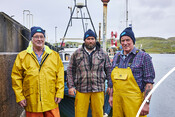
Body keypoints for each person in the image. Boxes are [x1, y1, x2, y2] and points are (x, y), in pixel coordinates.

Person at [11, 26, 64, 117]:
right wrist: (20, 97)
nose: (39, 39)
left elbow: (60, 76)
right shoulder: (22, 56)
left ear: (44, 39)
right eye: (36, 37)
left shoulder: (54, 55)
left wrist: (59, 93)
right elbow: (16, 78)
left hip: (51, 100)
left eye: (41, 37)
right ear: (31, 39)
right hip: (32, 101)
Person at [108, 27, 155, 117]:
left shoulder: (144, 57)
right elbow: (112, 81)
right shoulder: (116, 57)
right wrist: (111, 96)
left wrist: (146, 103)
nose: (125, 43)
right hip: (117, 103)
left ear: (133, 40)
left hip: (135, 104)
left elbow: (149, 83)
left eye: (128, 40)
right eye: (123, 40)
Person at [67, 29, 111, 117]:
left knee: (98, 113)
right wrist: (71, 86)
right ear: (84, 40)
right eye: (88, 39)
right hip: (81, 89)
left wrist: (110, 85)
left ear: (95, 40)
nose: (90, 41)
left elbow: (109, 70)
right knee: (80, 114)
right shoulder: (76, 54)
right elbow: (70, 70)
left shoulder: (103, 54)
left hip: (98, 89)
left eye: (92, 39)